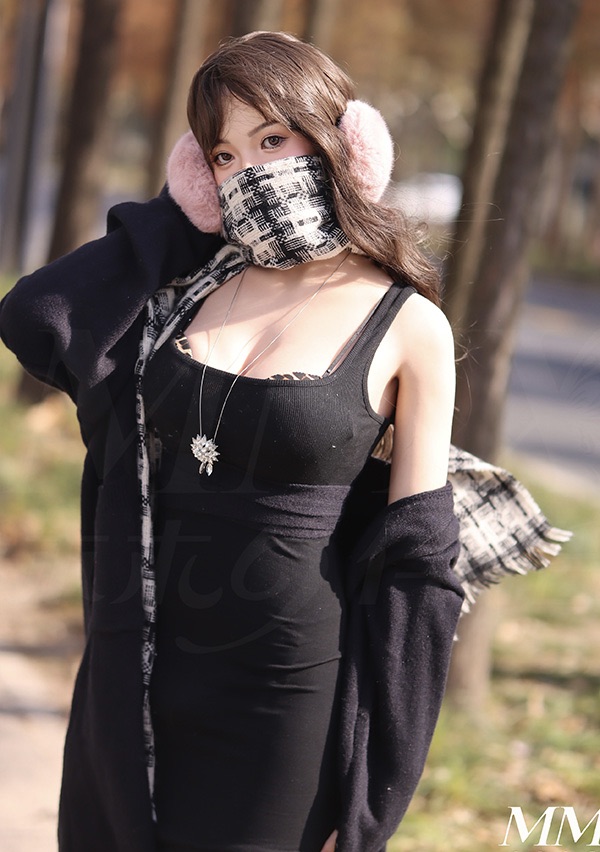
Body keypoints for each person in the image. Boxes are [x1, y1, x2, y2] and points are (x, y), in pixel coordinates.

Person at [0, 31, 568, 852]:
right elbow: (36, 315)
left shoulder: (410, 325)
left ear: (346, 144)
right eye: (223, 156)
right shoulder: (188, 291)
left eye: (273, 139)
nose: (251, 173)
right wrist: (182, 221)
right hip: (133, 682)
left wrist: (372, 794)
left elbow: (417, 570)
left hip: (285, 706)